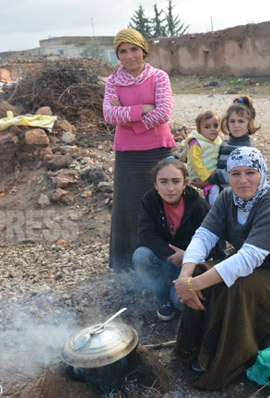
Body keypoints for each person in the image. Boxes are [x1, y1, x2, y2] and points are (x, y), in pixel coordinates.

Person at [173, 147, 270, 390]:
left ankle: (222, 361)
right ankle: (193, 348)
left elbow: (248, 258)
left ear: (262, 173)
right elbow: (204, 236)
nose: (243, 181)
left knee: (234, 287)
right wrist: (185, 278)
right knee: (201, 270)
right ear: (228, 175)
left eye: (250, 172)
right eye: (235, 174)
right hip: (248, 264)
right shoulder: (227, 198)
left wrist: (192, 286)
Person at [102, 28, 175, 269]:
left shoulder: (159, 77)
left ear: (144, 50)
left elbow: (163, 112)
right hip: (128, 155)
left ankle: (163, 259)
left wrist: (129, 121)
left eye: (134, 49)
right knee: (128, 206)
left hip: (158, 150)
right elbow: (109, 115)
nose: (129, 55)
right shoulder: (112, 82)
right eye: (122, 51)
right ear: (117, 55)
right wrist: (142, 109)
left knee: (163, 201)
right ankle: (125, 263)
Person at [133, 157, 211, 322]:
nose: (170, 188)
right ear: (156, 185)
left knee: (181, 303)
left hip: (190, 263)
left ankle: (173, 293)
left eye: (176, 181)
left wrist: (188, 256)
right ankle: (163, 297)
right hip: (164, 257)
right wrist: (170, 253)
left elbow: (213, 239)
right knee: (141, 255)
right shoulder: (150, 200)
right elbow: (145, 235)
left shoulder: (198, 205)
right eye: (163, 182)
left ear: (184, 184)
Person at [193, 96, 258, 192]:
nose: (236, 125)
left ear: (249, 124)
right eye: (232, 121)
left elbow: (231, 173)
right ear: (227, 123)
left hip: (234, 195)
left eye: (241, 121)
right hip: (217, 191)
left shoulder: (247, 150)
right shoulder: (223, 145)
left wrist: (208, 181)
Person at [186, 110, 223, 204]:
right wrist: (205, 175)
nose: (212, 129)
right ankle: (212, 209)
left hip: (213, 173)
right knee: (214, 189)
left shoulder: (218, 141)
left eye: (215, 126)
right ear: (199, 129)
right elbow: (195, 161)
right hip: (199, 174)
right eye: (207, 127)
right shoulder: (197, 142)